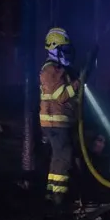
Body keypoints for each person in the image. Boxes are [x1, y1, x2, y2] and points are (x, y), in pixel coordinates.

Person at [39, 27, 82, 206]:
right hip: (57, 123)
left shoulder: (54, 69)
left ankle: (51, 193)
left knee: (57, 157)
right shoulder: (51, 70)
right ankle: (59, 198)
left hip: (54, 122)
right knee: (64, 158)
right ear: (54, 48)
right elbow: (61, 96)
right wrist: (78, 83)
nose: (66, 53)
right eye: (63, 49)